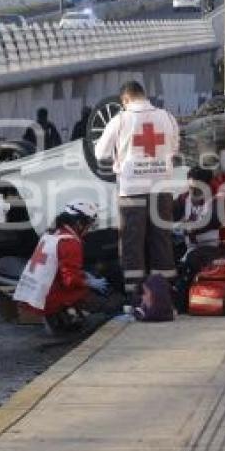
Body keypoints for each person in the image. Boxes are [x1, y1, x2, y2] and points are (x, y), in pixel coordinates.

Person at [94, 81, 180, 297]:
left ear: (125, 99)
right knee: (161, 239)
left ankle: (135, 295)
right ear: (144, 95)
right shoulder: (167, 117)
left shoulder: (120, 120)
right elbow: (174, 148)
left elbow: (100, 153)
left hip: (132, 191)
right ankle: (165, 293)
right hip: (162, 188)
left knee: (132, 242)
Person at [14, 201, 124, 334]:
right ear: (79, 223)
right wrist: (89, 282)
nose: (89, 228)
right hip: (49, 297)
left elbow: (57, 267)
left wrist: (83, 275)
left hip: (33, 295)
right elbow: (70, 280)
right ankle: (66, 315)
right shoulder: (70, 242)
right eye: (89, 223)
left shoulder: (51, 234)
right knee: (112, 305)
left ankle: (60, 316)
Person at [172, 167, 225, 313]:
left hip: (217, 249)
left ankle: (185, 302)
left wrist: (189, 228)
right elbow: (170, 214)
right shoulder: (184, 199)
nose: (193, 191)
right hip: (192, 247)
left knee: (191, 262)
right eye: (191, 187)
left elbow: (212, 220)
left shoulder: (219, 200)